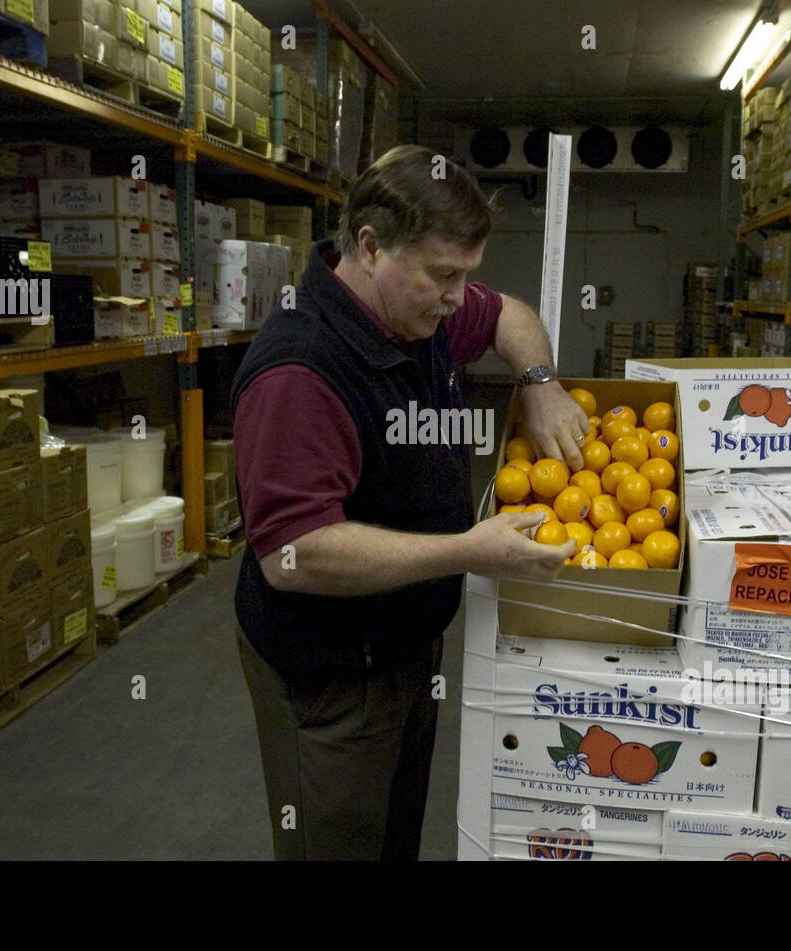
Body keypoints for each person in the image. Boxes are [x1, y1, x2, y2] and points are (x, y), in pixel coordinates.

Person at [229, 144, 590, 860]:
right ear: (370, 247)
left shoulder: (414, 312)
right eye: (444, 275)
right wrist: (467, 549)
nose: (459, 295)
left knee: (393, 838)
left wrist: (540, 380)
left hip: (404, 642)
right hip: (329, 673)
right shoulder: (301, 372)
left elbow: (507, 315)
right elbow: (295, 555)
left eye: (467, 275)